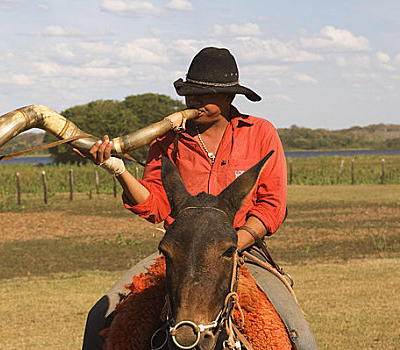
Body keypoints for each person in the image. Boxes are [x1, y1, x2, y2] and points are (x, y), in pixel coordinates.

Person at [80, 47, 317, 349]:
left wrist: (229, 245)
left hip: (242, 251)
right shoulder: (166, 140)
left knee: (297, 331)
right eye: (190, 93)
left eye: (204, 95)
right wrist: (118, 170)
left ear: (229, 97)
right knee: (101, 315)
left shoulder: (260, 132)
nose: (194, 101)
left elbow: (271, 206)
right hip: (179, 256)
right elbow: (154, 205)